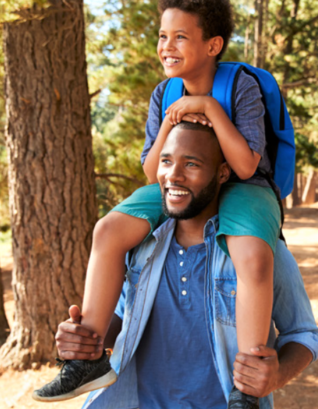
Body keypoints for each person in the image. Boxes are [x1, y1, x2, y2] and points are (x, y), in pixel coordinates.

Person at [33, 0, 284, 407]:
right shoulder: (163, 92)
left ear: (213, 45)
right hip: (180, 180)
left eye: (181, 37)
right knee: (108, 230)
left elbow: (244, 164)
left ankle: (245, 386)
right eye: (163, 36)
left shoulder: (241, 86)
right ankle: (88, 357)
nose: (167, 45)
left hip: (245, 186)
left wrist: (210, 109)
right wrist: (172, 117)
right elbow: (154, 174)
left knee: (252, 255)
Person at [36, 122, 318, 409]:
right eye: (166, 161)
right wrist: (83, 340)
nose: (174, 175)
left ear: (222, 172)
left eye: (192, 164)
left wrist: (276, 375)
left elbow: (303, 334)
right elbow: (123, 319)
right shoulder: (138, 245)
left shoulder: (260, 251)